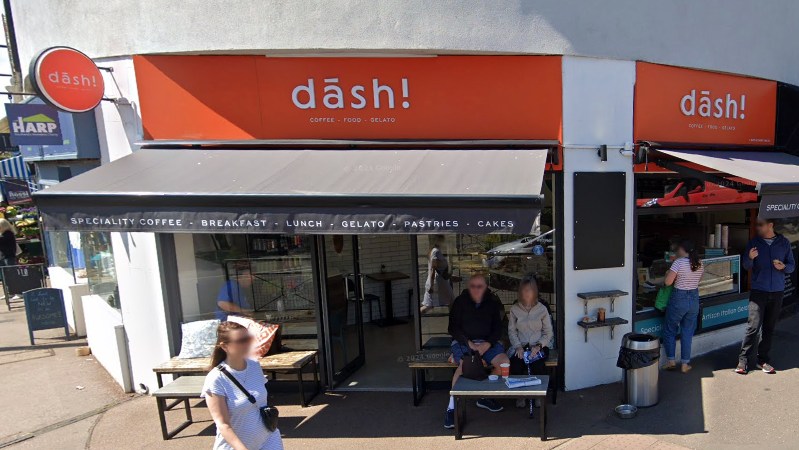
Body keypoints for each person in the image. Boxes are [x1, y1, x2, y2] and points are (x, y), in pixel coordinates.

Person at [203, 322, 283, 450]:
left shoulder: (254, 366)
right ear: (224, 346)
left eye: (249, 339)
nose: (247, 344)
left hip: (268, 439)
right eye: (241, 341)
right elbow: (223, 425)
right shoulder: (216, 379)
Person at [444, 274, 509, 429]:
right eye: (473, 286)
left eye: (479, 286)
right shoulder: (460, 302)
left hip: (487, 343)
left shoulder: (492, 304)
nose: (476, 289)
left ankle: (483, 396)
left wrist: (487, 344)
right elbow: (452, 328)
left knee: (504, 363)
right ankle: (451, 408)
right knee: (464, 367)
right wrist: (469, 343)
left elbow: (498, 329)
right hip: (465, 342)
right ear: (468, 287)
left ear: (486, 288)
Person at [736, 218, 795, 374]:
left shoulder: (784, 243)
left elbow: (792, 266)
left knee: (769, 328)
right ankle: (743, 361)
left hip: (777, 290)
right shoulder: (754, 242)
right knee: (753, 326)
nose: (757, 227)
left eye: (760, 225)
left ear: (770, 225)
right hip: (759, 290)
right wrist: (750, 257)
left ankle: (763, 360)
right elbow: (746, 266)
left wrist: (783, 267)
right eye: (756, 224)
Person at [507, 275, 553, 408]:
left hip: (538, 345)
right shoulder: (515, 309)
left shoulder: (542, 309)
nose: (527, 293)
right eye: (524, 290)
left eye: (530, 290)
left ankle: (537, 395)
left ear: (534, 291)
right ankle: (520, 395)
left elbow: (547, 332)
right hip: (521, 346)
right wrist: (518, 347)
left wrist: (539, 346)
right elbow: (512, 331)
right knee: (516, 365)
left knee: (537, 365)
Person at [662, 239, 704, 374]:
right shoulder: (699, 263)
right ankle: (685, 364)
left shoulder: (678, 263)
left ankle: (671, 362)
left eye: (678, 249)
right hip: (693, 299)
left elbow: (668, 282)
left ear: (683, 250)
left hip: (679, 299)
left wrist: (669, 273)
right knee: (687, 332)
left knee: (670, 330)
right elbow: (699, 280)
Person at [421, 235, 457, 314]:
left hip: (436, 281)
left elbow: (438, 269)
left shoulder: (433, 251)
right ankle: (453, 322)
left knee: (429, 305)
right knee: (451, 302)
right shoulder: (436, 251)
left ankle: (415, 319)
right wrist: (431, 286)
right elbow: (434, 269)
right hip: (438, 282)